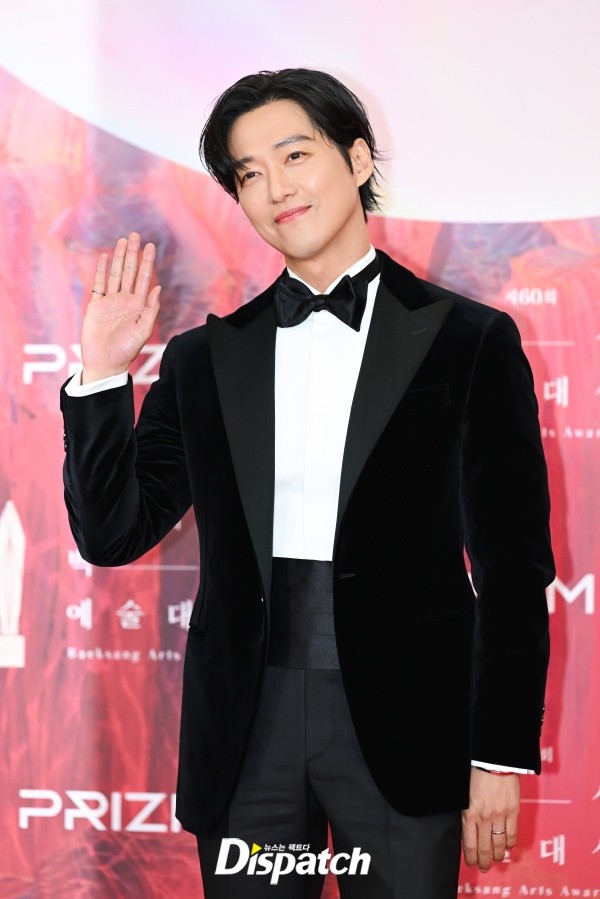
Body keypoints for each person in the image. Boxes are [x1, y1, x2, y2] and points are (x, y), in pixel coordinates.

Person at [61, 68, 555, 897]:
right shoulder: (203, 359)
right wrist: (103, 374)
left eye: (295, 156)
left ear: (357, 160)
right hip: (246, 729)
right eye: (249, 173)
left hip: (407, 725)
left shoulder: (470, 341)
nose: (276, 188)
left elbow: (512, 568)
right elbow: (112, 532)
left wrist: (498, 751)